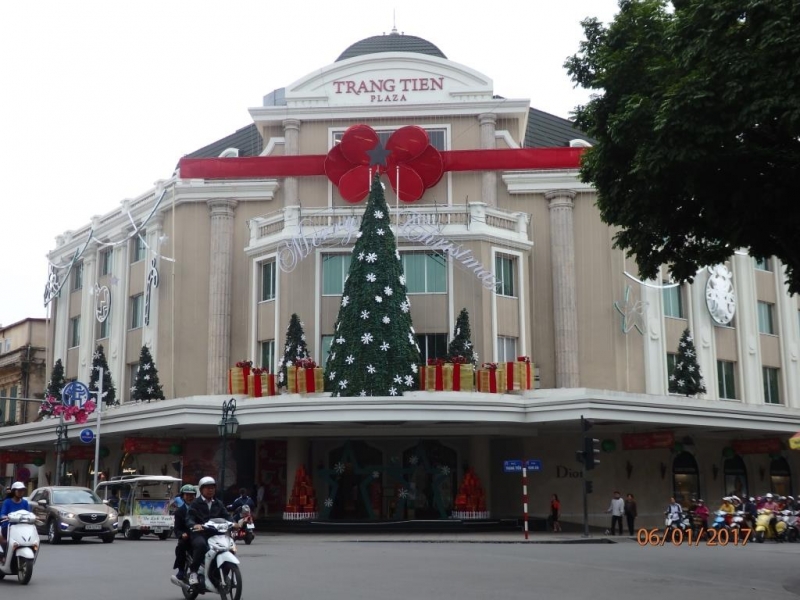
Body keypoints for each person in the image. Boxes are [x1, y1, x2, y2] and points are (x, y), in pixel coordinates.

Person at [185, 477, 238, 587]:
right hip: (200, 533)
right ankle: (194, 572)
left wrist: (234, 523)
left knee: (229, 547)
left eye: (213, 488)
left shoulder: (218, 503)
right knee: (201, 545)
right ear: (201, 489)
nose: (211, 490)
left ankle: (220, 573)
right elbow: (189, 518)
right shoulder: (195, 503)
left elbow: (227, 516)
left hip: (216, 533)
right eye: (208, 488)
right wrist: (195, 525)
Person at [172, 484, 197, 581]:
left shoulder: (199, 508)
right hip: (187, 537)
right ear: (182, 496)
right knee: (180, 547)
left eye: (192, 495)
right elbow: (177, 528)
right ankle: (181, 570)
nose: (190, 497)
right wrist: (182, 534)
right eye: (187, 495)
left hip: (199, 535)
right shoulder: (179, 511)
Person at [0, 482, 30, 551]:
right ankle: (5, 554)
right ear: (14, 491)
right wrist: (5, 517)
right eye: (18, 490)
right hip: (9, 526)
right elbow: (2, 514)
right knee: (4, 541)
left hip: (23, 527)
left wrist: (34, 517)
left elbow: (29, 513)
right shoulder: (7, 502)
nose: (21, 492)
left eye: (22, 490)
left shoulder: (25, 502)